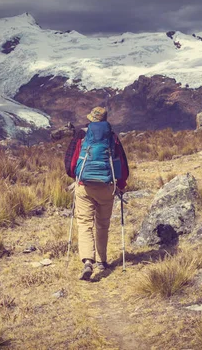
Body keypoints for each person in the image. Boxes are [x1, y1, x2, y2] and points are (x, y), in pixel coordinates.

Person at [64, 106, 129, 281]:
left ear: (92, 119)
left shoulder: (81, 135)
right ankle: (101, 261)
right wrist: (120, 185)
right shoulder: (112, 137)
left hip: (84, 185)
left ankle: (87, 261)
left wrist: (76, 176)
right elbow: (122, 165)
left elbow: (70, 164)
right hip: (106, 186)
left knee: (84, 223)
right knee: (102, 224)